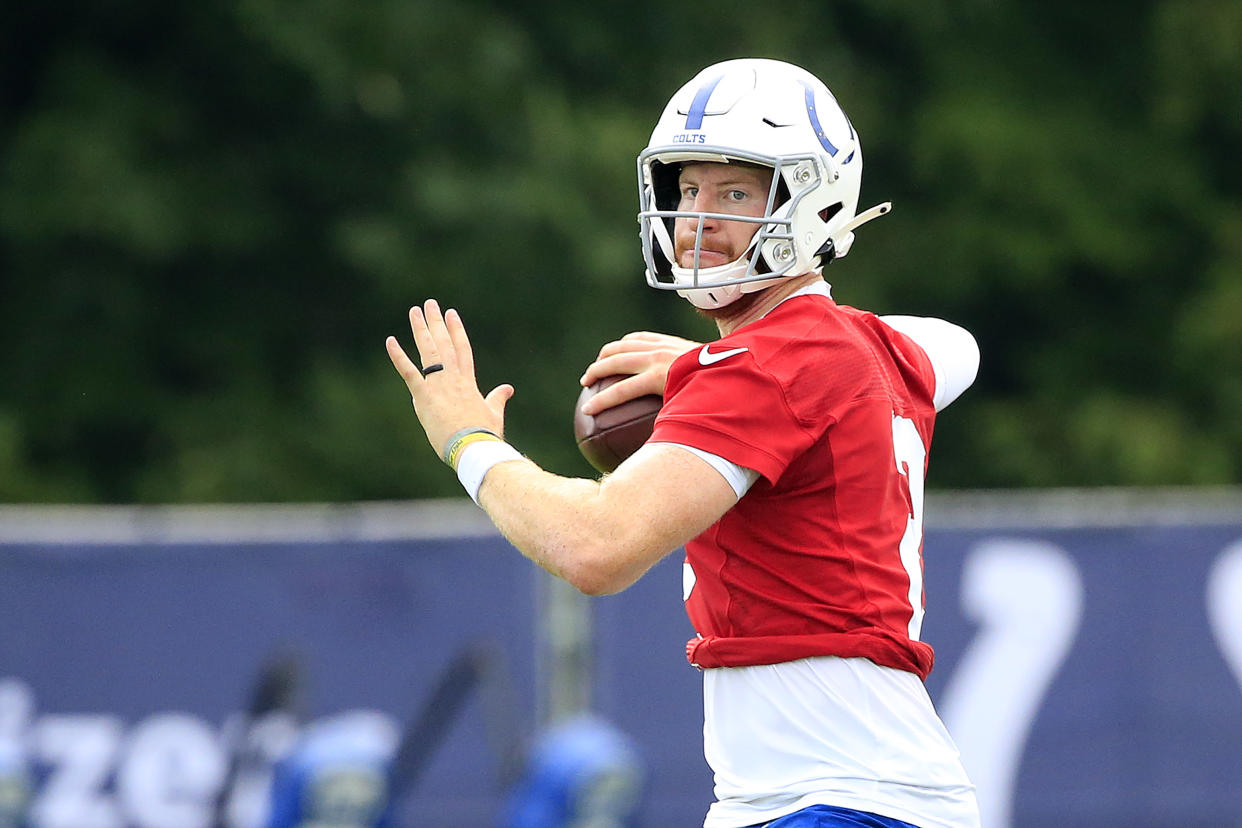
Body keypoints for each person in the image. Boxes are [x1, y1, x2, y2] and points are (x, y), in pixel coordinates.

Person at [386, 58, 981, 828]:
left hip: (839, 797)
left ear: (816, 203)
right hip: (825, 794)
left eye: (735, 191)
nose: (698, 218)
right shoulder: (860, 349)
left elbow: (597, 547)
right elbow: (953, 344)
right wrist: (703, 364)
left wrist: (469, 442)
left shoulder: (776, 364)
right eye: (687, 188)